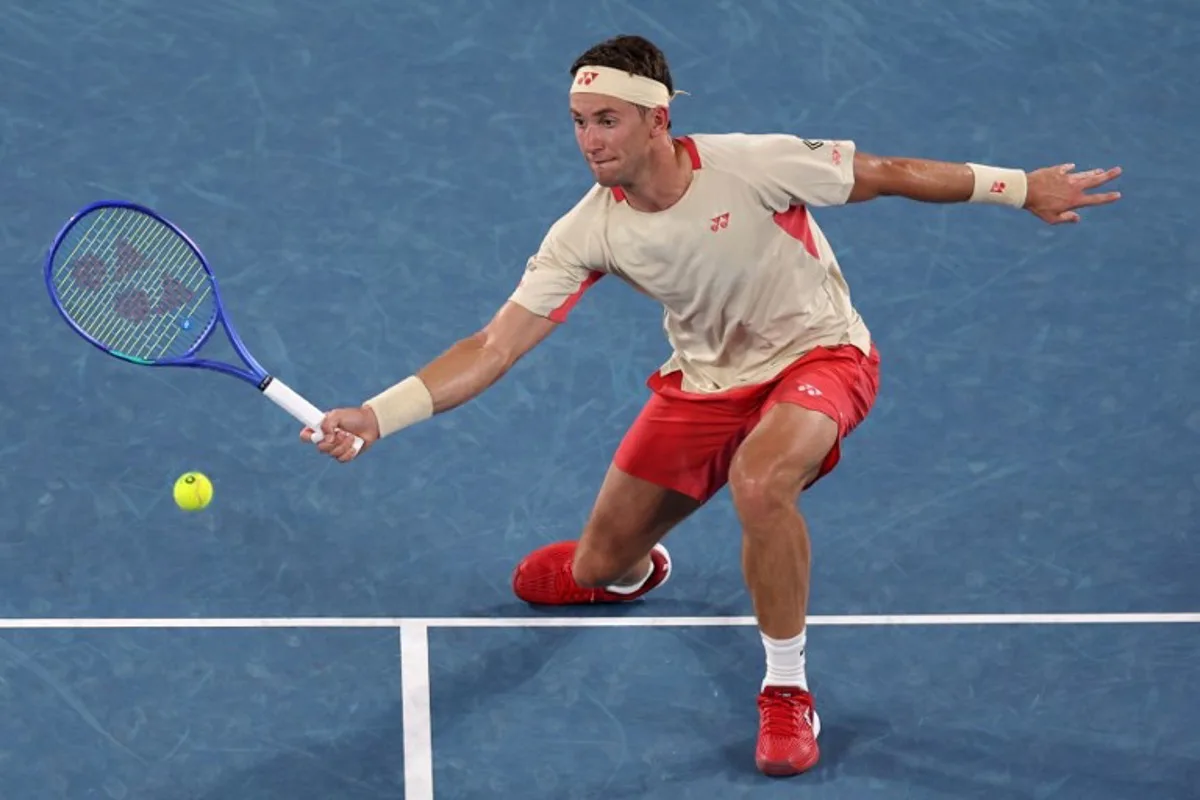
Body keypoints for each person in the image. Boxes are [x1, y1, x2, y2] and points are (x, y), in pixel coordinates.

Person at [300, 34, 1122, 777]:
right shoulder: (586, 231)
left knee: (762, 484)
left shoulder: (752, 164)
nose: (589, 139)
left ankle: (786, 690)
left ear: (657, 120)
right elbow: (494, 345)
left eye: (608, 120)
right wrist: (378, 415)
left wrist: (1022, 189)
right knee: (594, 566)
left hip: (820, 356)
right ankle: (631, 571)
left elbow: (887, 174)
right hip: (704, 384)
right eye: (580, 121)